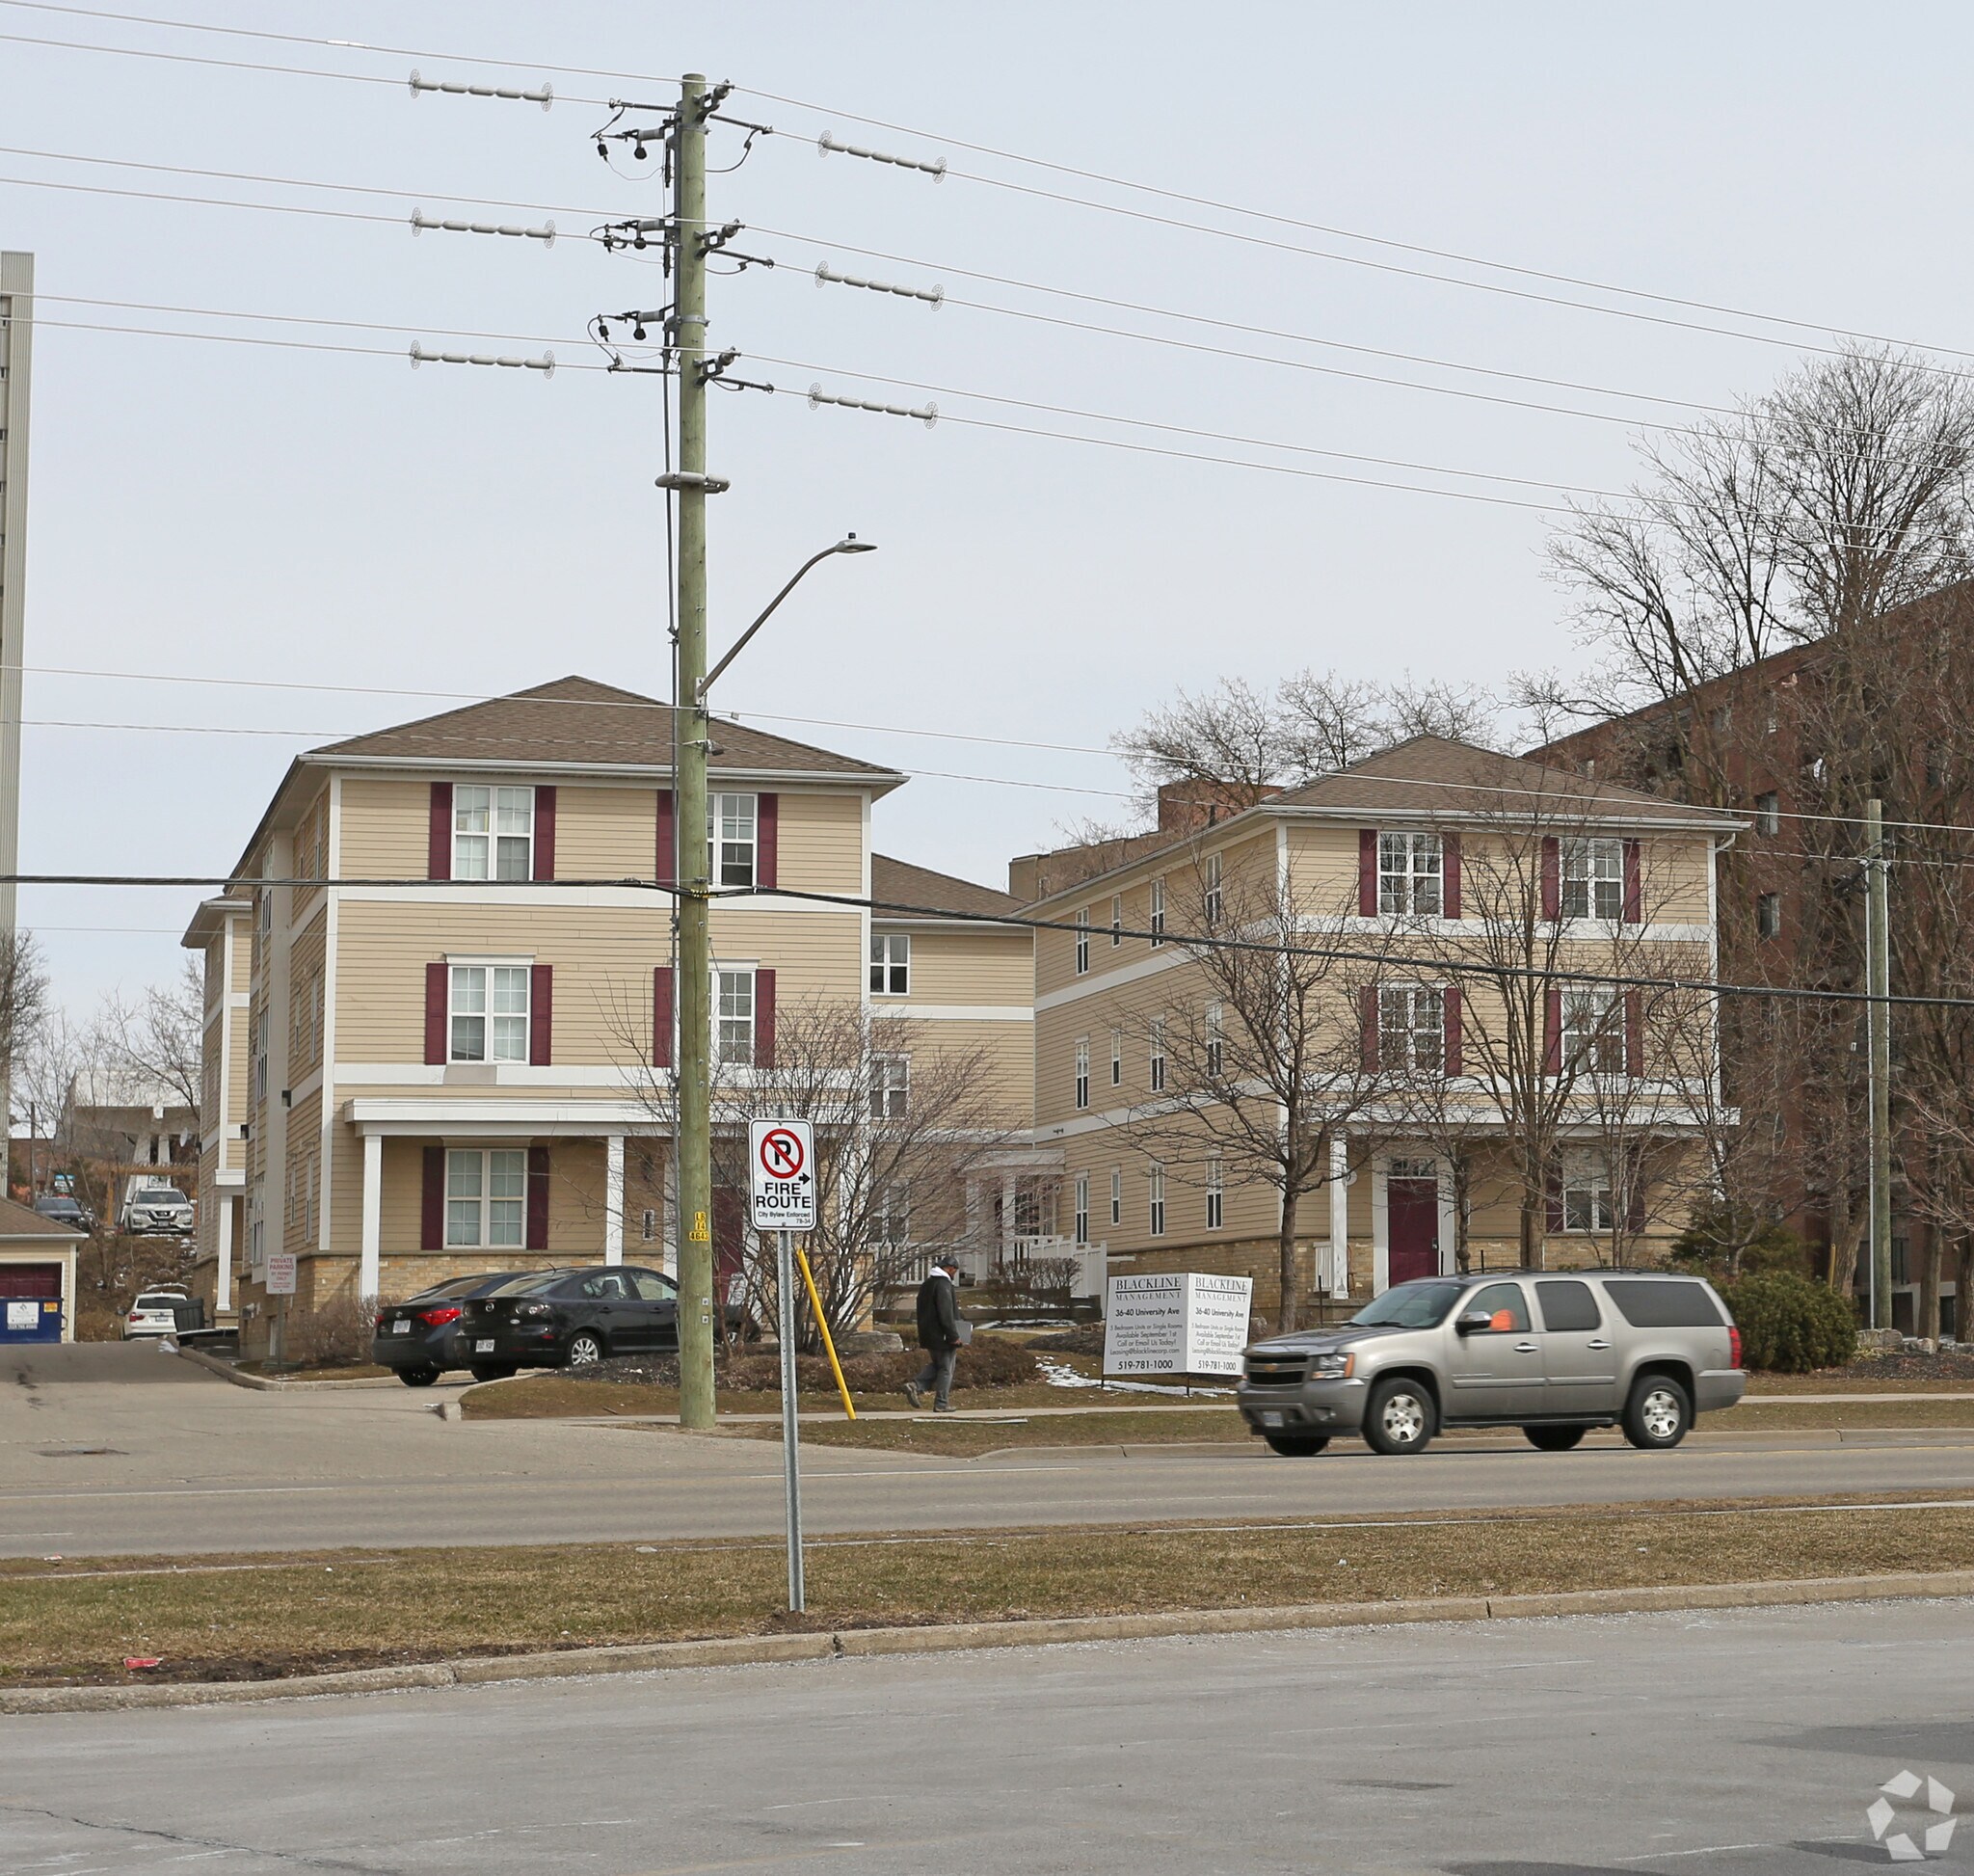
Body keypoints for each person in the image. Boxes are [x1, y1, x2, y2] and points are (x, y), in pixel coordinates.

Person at [905, 1253, 964, 1411]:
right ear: (950, 1269)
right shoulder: (944, 1285)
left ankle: (915, 1385)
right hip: (943, 1335)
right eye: (955, 1271)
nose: (954, 1275)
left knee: (937, 1364)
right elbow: (945, 1313)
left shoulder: (927, 1284)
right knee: (946, 1369)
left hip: (928, 1334)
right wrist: (954, 1335)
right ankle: (941, 1404)